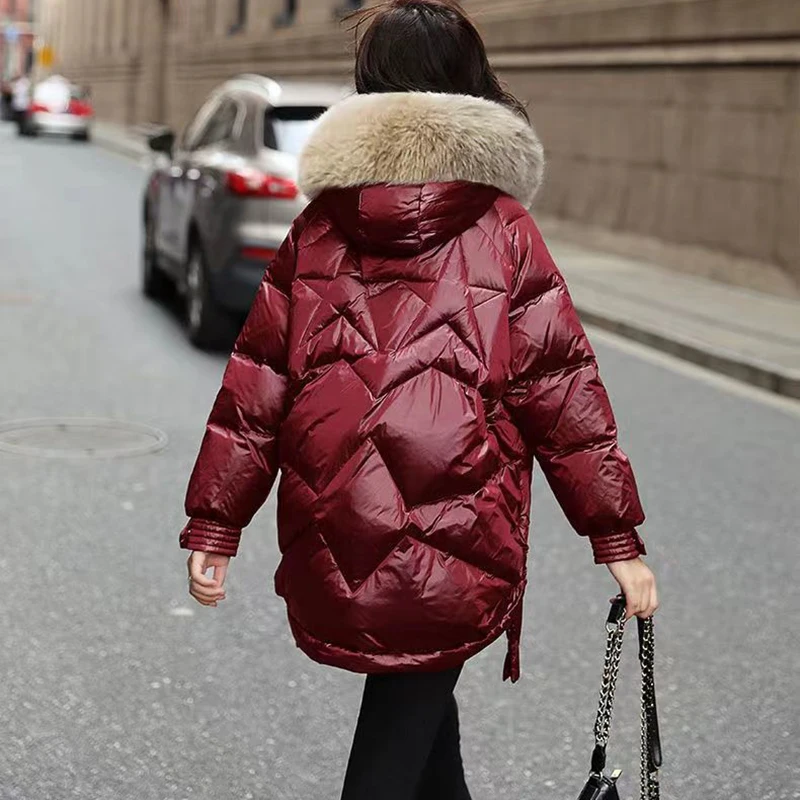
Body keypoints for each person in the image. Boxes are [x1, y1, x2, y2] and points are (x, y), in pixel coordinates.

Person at [179, 1, 659, 797]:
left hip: (336, 517)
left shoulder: (319, 227)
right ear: (473, 89)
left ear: (367, 90)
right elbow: (561, 391)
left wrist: (218, 522)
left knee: (421, 707)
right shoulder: (503, 227)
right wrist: (616, 538)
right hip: (462, 522)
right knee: (400, 728)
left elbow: (255, 387)